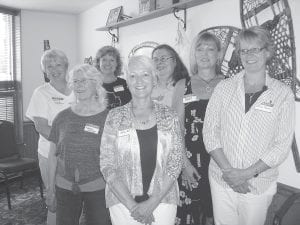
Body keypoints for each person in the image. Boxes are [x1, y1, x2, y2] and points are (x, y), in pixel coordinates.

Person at [202, 26, 295, 225]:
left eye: (255, 49)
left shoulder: (283, 94)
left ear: (267, 52)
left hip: (258, 184)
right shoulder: (223, 88)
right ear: (239, 54)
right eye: (244, 50)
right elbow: (210, 132)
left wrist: (244, 174)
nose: (249, 55)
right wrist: (230, 173)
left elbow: (281, 146)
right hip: (221, 179)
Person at [100, 55, 183, 225]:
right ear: (127, 81)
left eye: (145, 74)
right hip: (123, 203)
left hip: (163, 201)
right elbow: (107, 164)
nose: (139, 80)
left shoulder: (169, 115)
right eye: (132, 75)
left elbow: (176, 161)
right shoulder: (114, 116)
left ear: (154, 79)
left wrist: (152, 203)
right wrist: (133, 207)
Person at [46, 64, 110, 225]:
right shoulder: (62, 117)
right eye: (75, 81)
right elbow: (52, 156)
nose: (79, 85)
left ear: (96, 84)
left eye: (84, 81)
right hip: (65, 187)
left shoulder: (109, 118)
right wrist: (50, 189)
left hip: (98, 188)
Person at [172, 32, 225, 225]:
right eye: (200, 48)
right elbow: (175, 128)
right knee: (190, 214)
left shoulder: (230, 84)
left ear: (218, 54)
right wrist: (184, 164)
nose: (205, 53)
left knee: (216, 214)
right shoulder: (182, 85)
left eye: (211, 49)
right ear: (194, 54)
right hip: (190, 162)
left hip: (221, 161)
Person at [26, 49, 74, 225]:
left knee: (75, 198)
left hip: (77, 156)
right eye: (49, 66)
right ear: (45, 71)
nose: (54, 69)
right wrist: (66, 145)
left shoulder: (77, 88)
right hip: (50, 155)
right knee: (55, 199)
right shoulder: (41, 92)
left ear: (66, 66)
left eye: (58, 64)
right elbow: (41, 126)